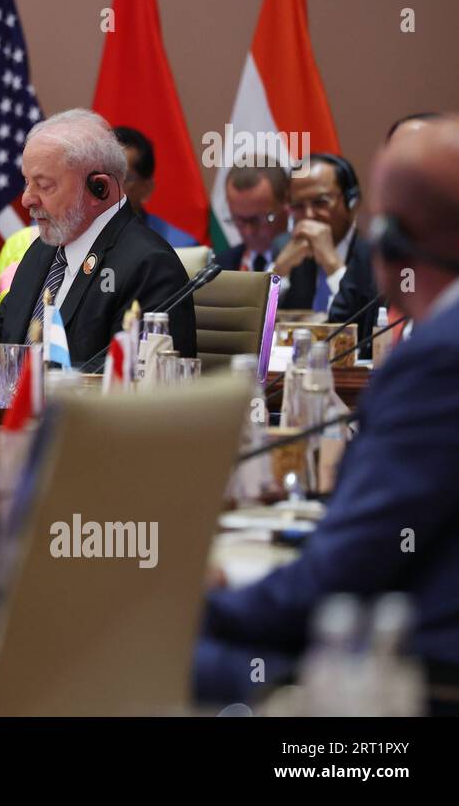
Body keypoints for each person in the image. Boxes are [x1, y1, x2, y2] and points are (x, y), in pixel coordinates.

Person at [194, 117, 459, 707]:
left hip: (416, 666)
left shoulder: (439, 359)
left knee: (141, 652)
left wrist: (189, 601)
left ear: (388, 241)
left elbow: (335, 580)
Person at [0, 109, 196, 365]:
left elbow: (128, 379)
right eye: (27, 182)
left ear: (99, 188)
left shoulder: (150, 266)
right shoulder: (43, 249)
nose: (27, 199)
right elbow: (3, 326)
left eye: (45, 185)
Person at [273, 154, 376, 352]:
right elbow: (257, 326)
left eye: (321, 202)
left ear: (352, 202)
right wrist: (279, 272)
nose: (309, 215)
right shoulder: (284, 246)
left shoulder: (371, 252)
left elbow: (365, 328)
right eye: (298, 206)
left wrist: (332, 265)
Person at [114, 125, 198, 248]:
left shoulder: (179, 248)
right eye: (104, 175)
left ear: (146, 189)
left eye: (123, 179)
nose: (109, 186)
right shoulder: (79, 237)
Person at [216, 162, 290, 273]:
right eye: (239, 220)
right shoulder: (220, 268)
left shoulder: (311, 262)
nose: (248, 232)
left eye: (258, 219)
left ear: (287, 205)